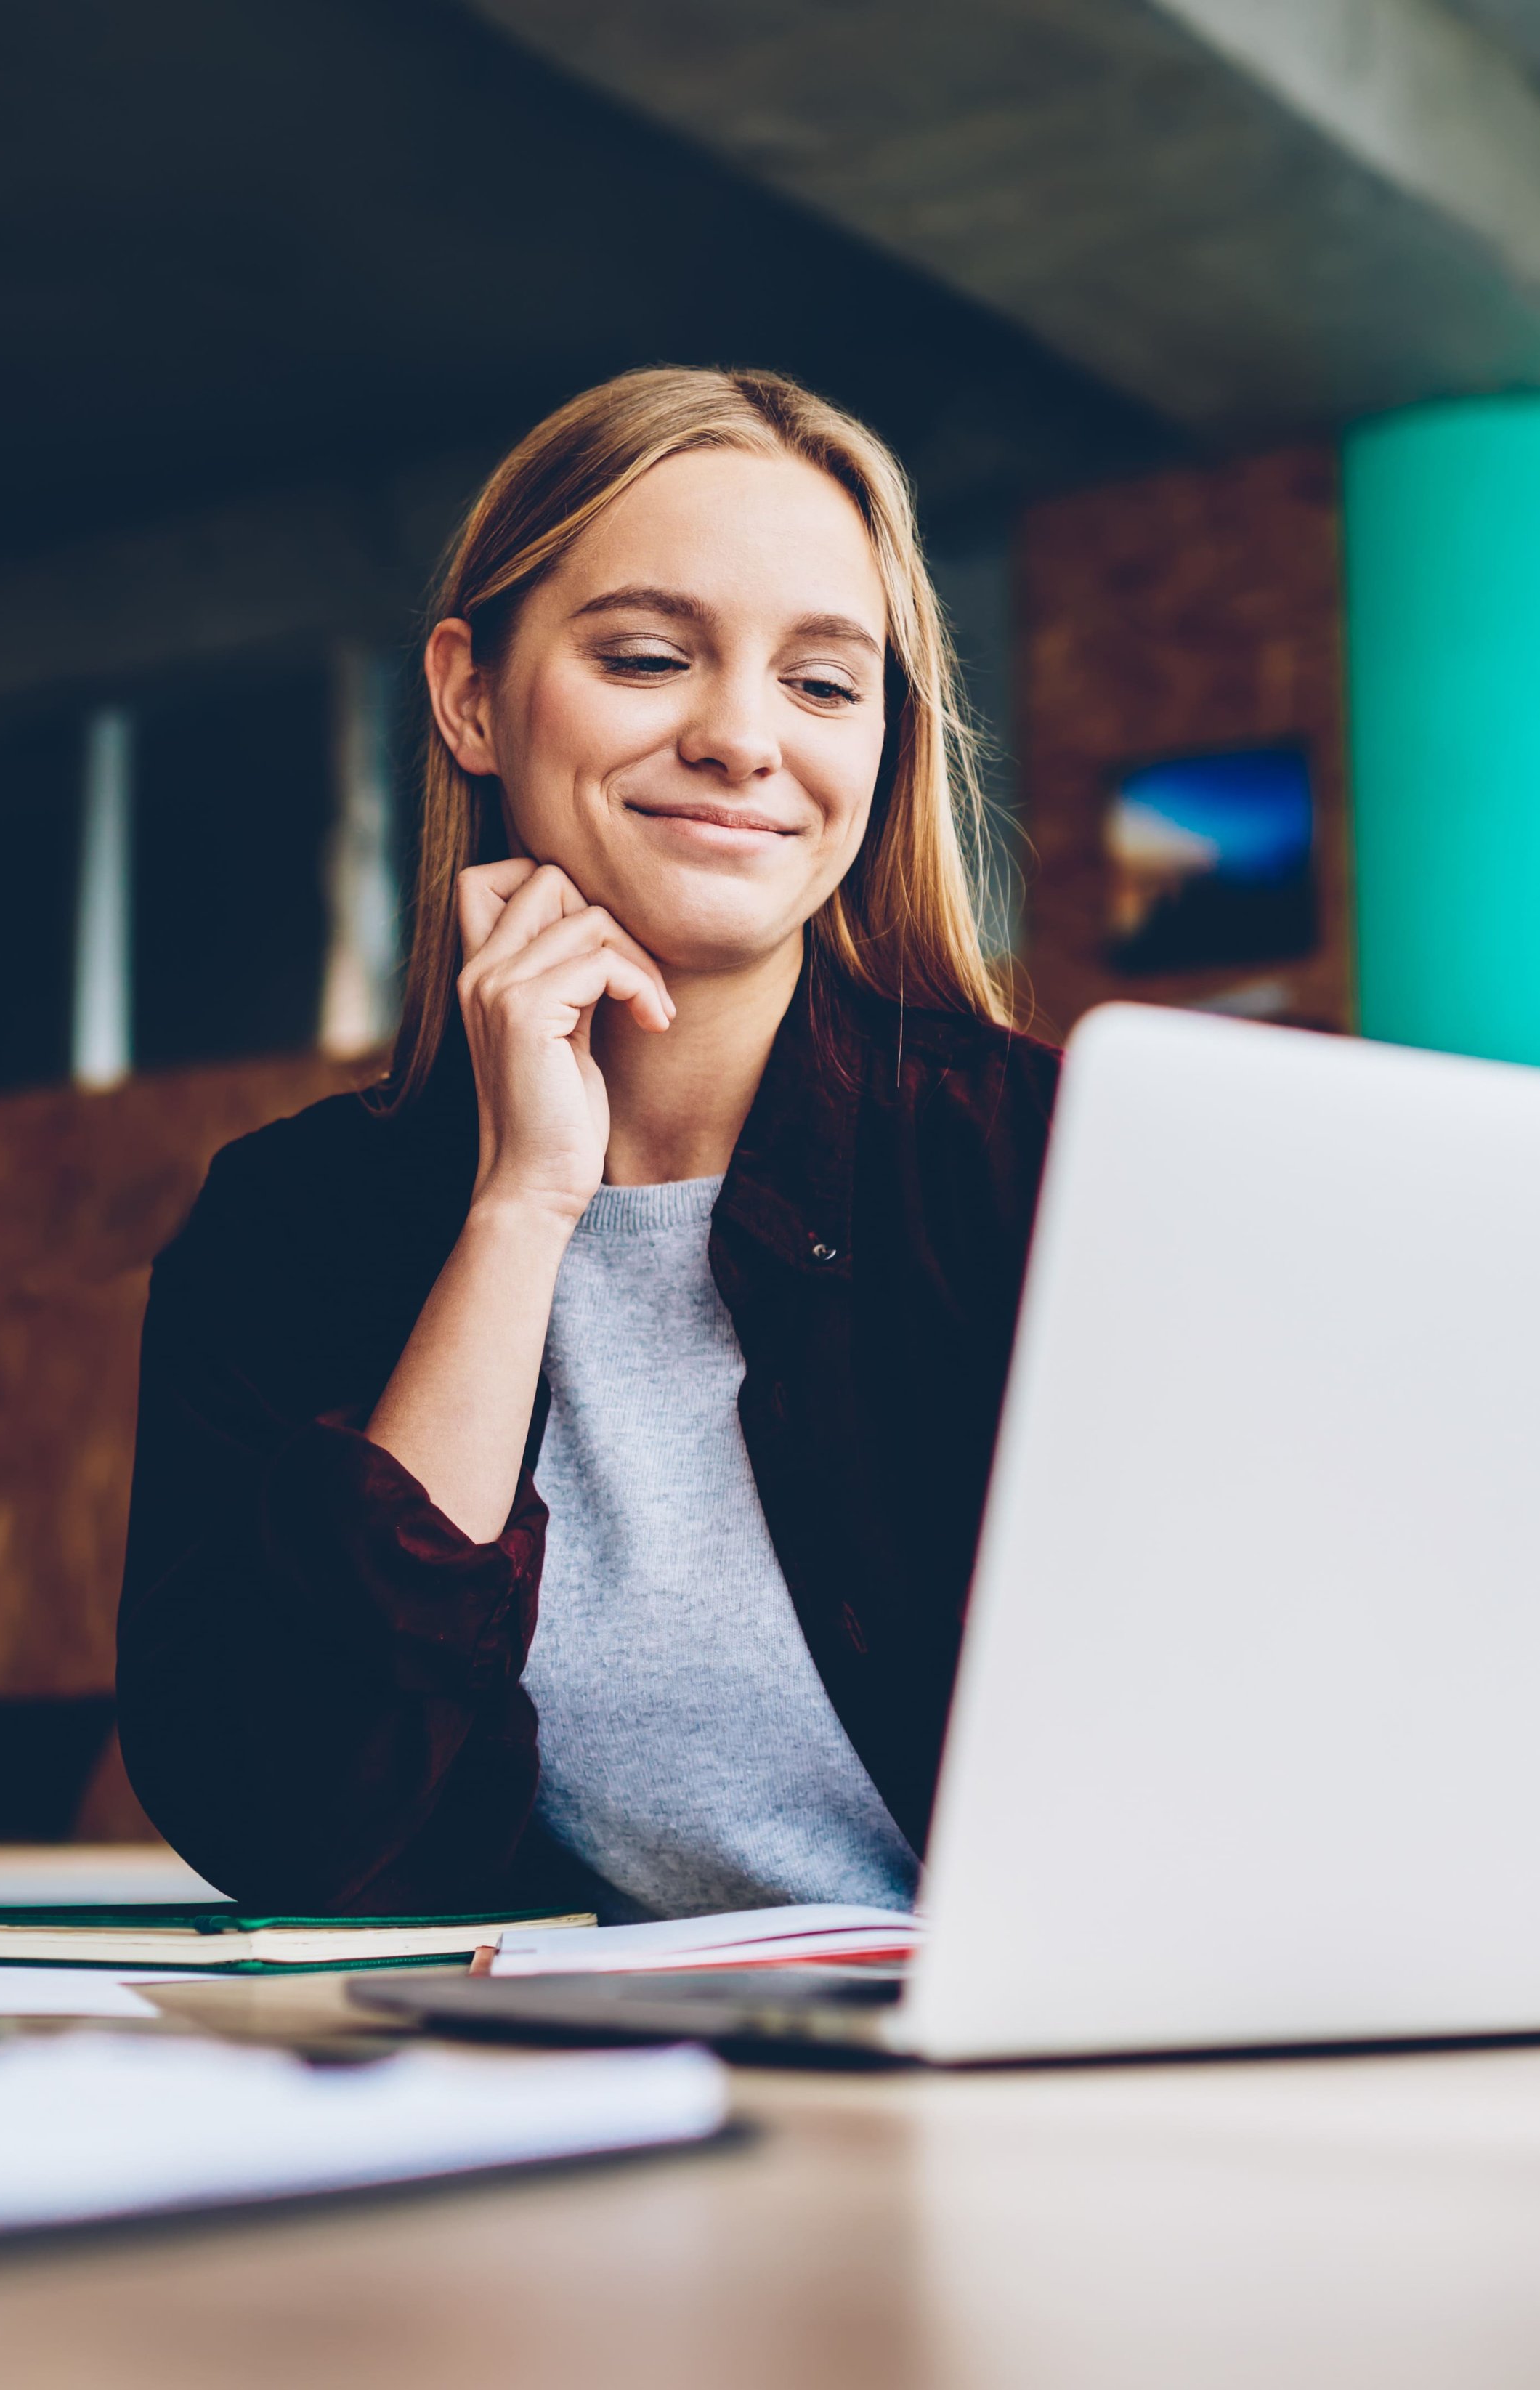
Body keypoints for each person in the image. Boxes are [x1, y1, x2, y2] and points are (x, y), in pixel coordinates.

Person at [116, 366, 1060, 1919]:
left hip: (1059, 2095)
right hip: (585, 2105)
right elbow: (289, 1815)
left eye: (823, 684)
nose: (744, 739)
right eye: (644, 656)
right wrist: (521, 1204)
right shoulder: (295, 1223)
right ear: (471, 696)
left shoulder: (1036, 1165)